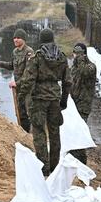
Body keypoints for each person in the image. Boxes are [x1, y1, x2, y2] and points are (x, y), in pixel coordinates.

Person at [18, 28, 71, 176]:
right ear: (52, 39)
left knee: (39, 133)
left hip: (39, 100)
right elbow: (67, 81)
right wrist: (63, 101)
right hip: (54, 99)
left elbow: (28, 80)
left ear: (41, 40)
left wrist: (21, 96)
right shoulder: (61, 57)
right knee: (55, 133)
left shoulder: (36, 58)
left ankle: (43, 168)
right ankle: (54, 168)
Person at [0, 28, 34, 132]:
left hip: (28, 88)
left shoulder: (29, 52)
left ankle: (33, 137)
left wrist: (17, 83)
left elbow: (30, 73)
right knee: (20, 113)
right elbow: (11, 65)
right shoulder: (15, 52)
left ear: (23, 39)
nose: (15, 40)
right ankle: (24, 135)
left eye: (18, 38)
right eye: (14, 38)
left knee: (30, 113)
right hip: (18, 88)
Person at [69, 42, 97, 164]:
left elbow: (85, 72)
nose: (75, 56)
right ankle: (72, 157)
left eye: (77, 53)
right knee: (72, 131)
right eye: (75, 53)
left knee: (79, 131)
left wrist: (80, 59)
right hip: (73, 104)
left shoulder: (90, 67)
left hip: (83, 105)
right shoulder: (74, 68)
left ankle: (81, 161)